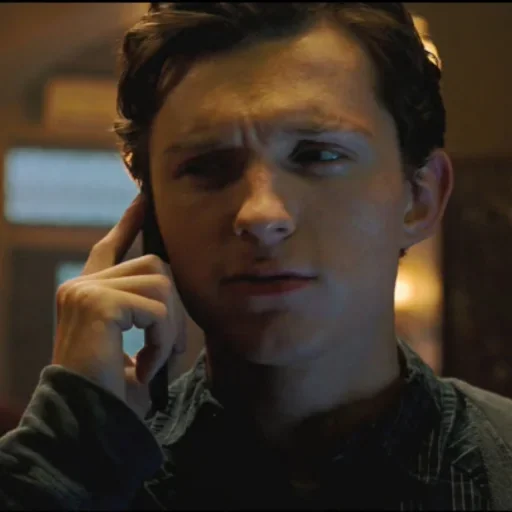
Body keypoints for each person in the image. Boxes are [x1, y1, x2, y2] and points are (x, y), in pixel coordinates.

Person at [1, 2, 512, 509]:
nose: (261, 214)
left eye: (318, 155)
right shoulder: (89, 476)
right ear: (151, 215)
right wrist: (65, 457)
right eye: (206, 166)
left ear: (419, 198)